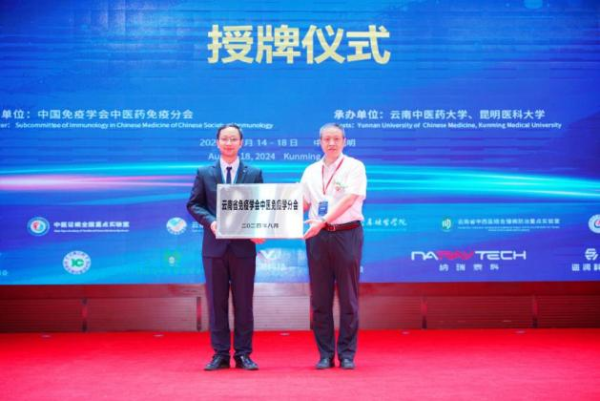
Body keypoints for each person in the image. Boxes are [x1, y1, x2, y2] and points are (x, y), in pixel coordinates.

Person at [187, 123, 264, 371]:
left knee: (244, 303)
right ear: (217, 142)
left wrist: (261, 229)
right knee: (216, 303)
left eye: (233, 139)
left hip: (244, 248)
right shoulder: (204, 172)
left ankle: (243, 354)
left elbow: (261, 206)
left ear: (241, 143)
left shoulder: (254, 172)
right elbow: (194, 204)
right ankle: (220, 354)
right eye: (224, 139)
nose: (229, 143)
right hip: (214, 248)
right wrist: (211, 222)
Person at [302, 123, 367, 370]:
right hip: (318, 237)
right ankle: (326, 354)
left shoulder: (354, 167)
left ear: (344, 141)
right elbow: (303, 203)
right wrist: (272, 221)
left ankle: (347, 354)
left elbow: (349, 199)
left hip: (346, 234)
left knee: (348, 297)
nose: (331, 143)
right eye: (327, 139)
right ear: (320, 142)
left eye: (336, 139)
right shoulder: (310, 171)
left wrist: (324, 221)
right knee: (320, 299)